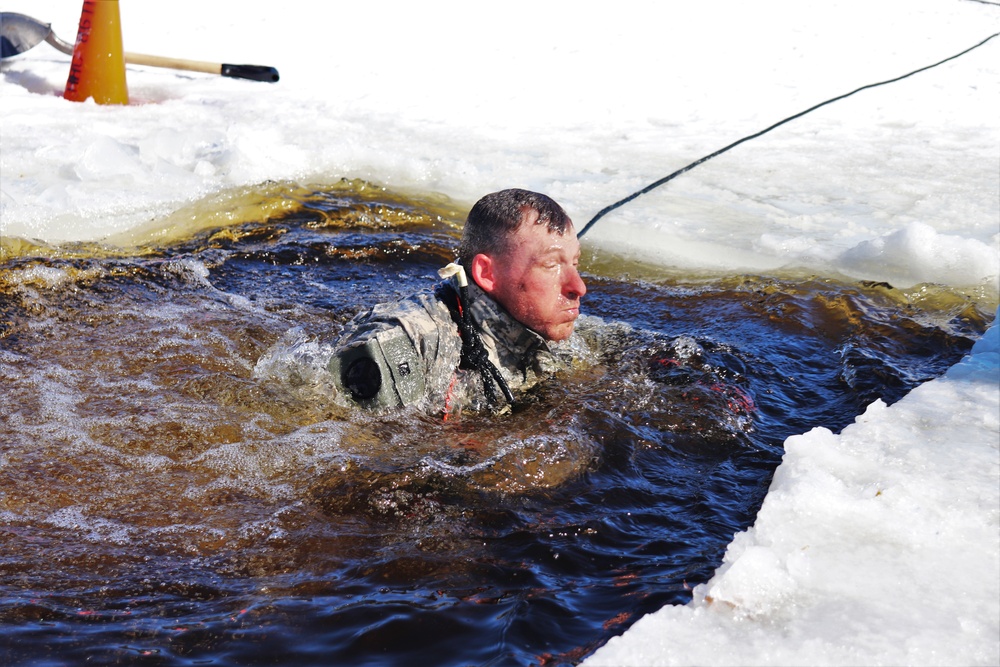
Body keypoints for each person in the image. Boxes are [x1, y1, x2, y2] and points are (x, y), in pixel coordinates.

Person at [328, 188, 587, 417]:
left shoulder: (551, 327)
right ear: (487, 273)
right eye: (551, 265)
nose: (579, 287)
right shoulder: (410, 344)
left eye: (575, 263)